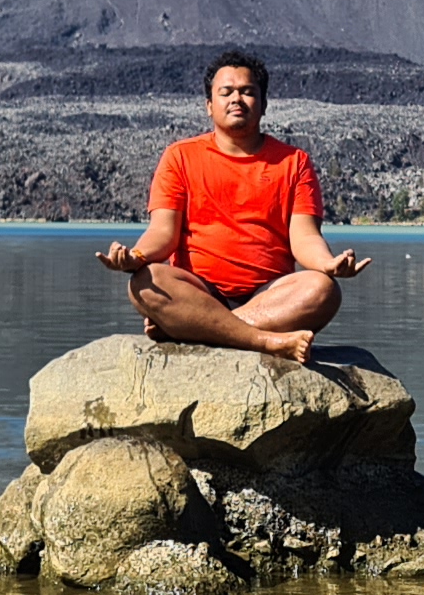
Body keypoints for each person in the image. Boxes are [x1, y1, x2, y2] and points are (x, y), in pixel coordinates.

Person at [95, 50, 369, 364]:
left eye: (248, 92)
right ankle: (264, 340)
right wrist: (136, 257)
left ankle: (194, 328)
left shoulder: (295, 162)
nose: (236, 99)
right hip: (198, 290)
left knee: (323, 289)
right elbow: (163, 231)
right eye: (226, 92)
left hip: (269, 296)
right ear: (209, 105)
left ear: (264, 104)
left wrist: (327, 264)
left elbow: (305, 237)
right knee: (144, 283)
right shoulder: (179, 157)